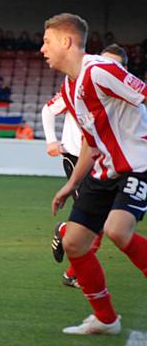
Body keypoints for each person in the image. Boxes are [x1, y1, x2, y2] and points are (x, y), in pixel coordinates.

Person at [43, 12, 147, 335]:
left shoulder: (102, 71)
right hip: (104, 172)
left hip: (138, 165)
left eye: (46, 41)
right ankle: (105, 320)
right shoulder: (71, 87)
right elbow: (91, 142)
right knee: (74, 242)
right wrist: (71, 183)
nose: (42, 49)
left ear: (66, 41)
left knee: (117, 229)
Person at [42, 43, 128, 289]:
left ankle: (67, 243)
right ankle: (73, 273)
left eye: (114, 65)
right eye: (103, 62)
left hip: (105, 161)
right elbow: (48, 110)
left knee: (102, 220)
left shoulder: (118, 97)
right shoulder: (79, 86)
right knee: (96, 220)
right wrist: (51, 141)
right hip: (76, 158)